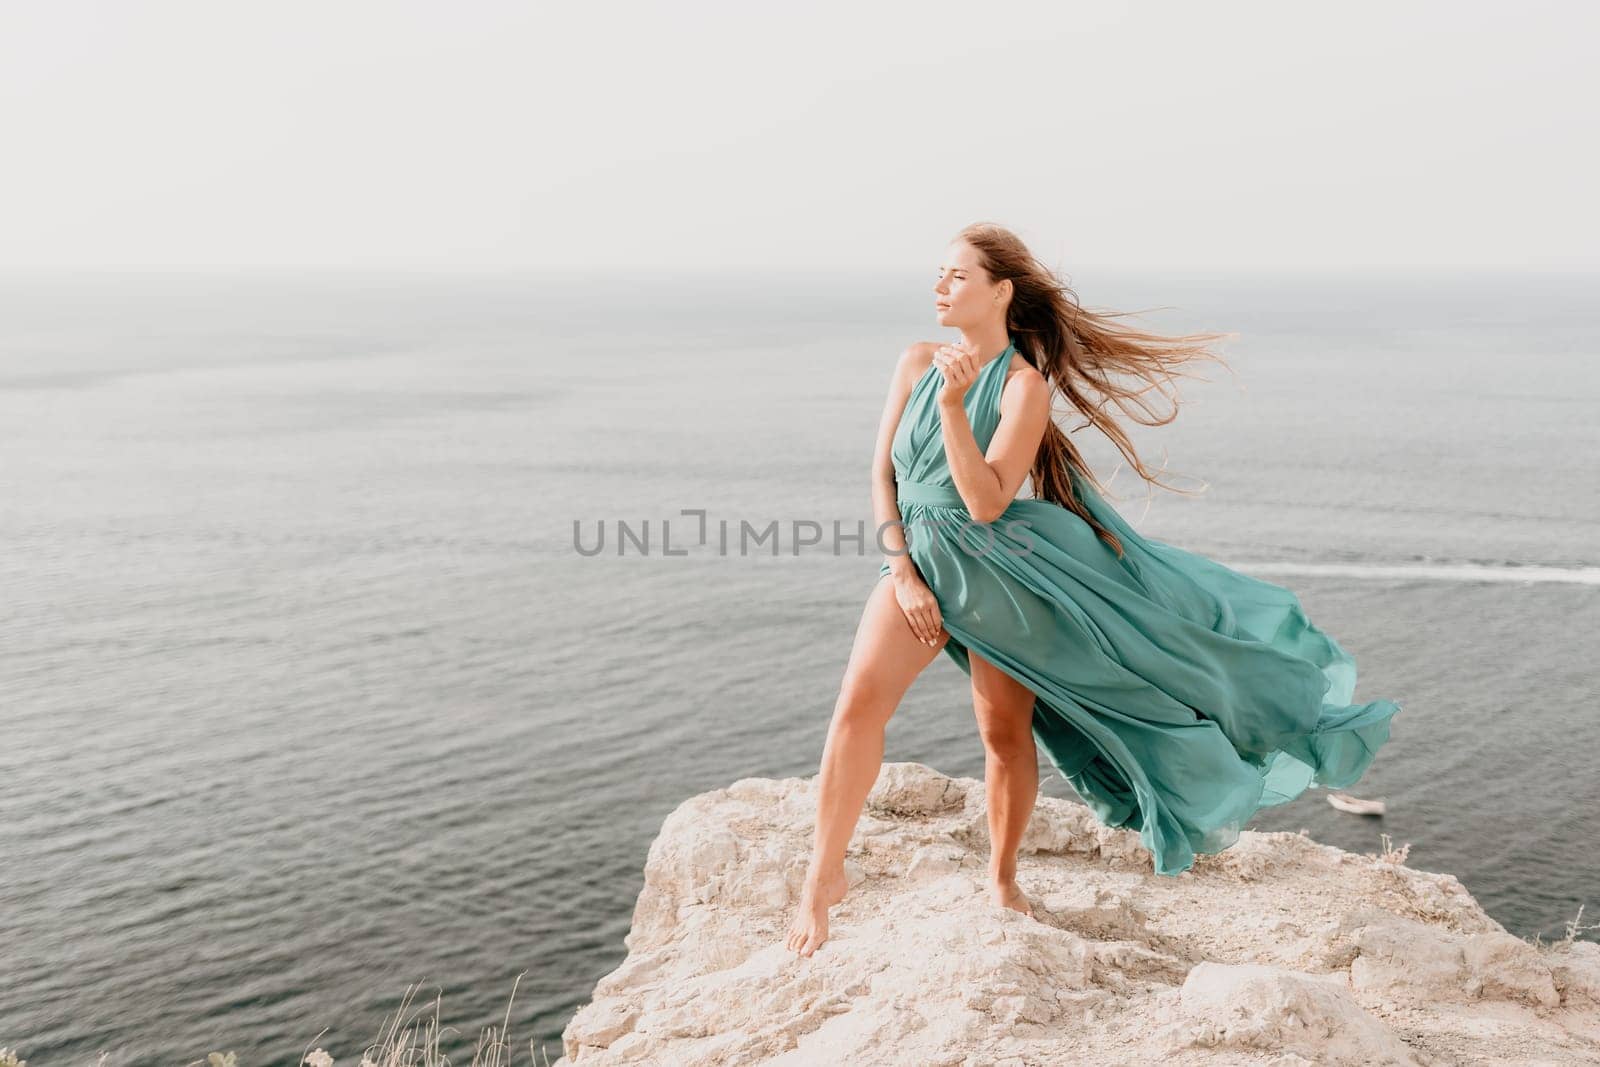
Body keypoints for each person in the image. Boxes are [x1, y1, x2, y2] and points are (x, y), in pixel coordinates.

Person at [783, 222, 1403, 958]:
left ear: (1000, 291)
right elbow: (882, 476)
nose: (939, 287)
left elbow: (983, 502)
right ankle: (823, 876)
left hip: (1000, 575)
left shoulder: (1023, 386)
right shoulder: (916, 360)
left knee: (1003, 734)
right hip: (918, 565)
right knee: (857, 708)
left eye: (956, 275)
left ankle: (1003, 879)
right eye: (938, 274)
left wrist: (953, 409)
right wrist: (903, 573)